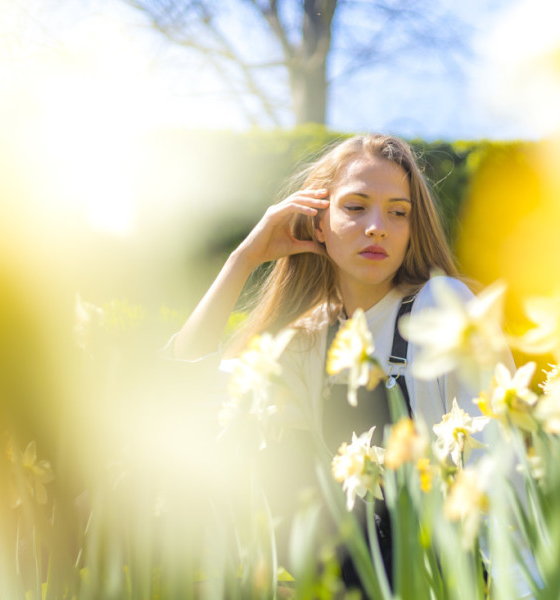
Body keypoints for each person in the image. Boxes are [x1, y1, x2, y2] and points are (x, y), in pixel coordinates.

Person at [170, 133, 510, 594]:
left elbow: (499, 464)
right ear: (319, 223)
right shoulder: (310, 338)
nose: (377, 227)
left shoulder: (443, 305)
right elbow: (191, 398)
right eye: (355, 207)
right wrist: (242, 259)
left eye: (398, 212)